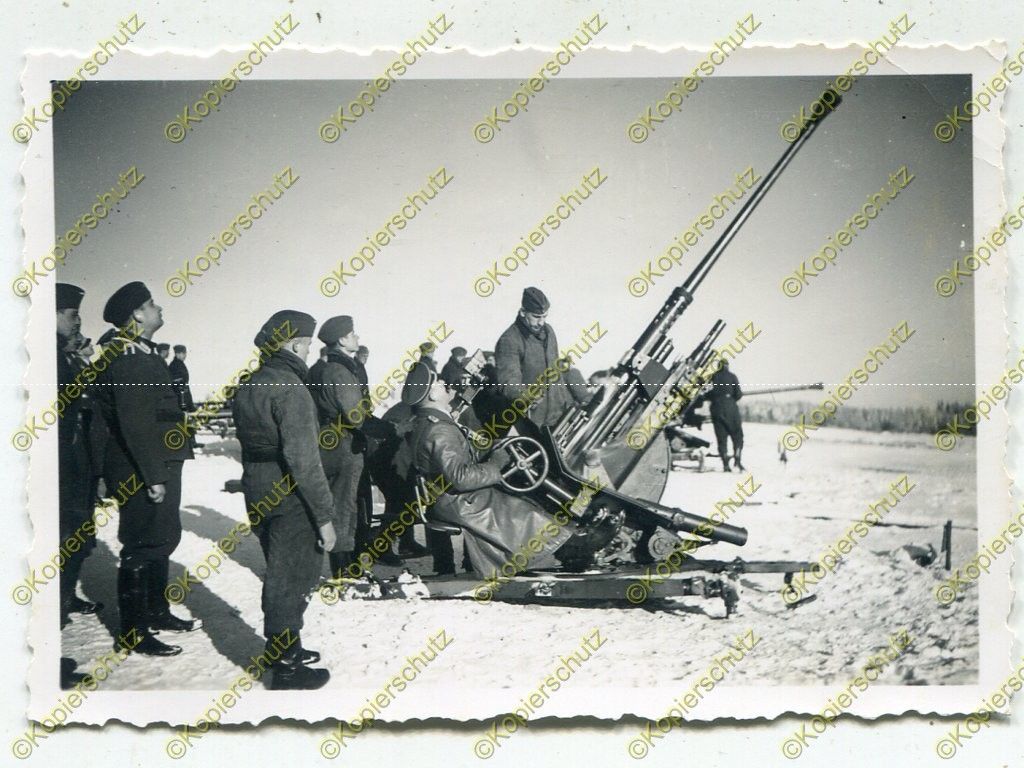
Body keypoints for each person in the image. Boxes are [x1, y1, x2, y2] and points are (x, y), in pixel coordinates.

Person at [232, 310, 335, 689]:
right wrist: (324, 516)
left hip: (259, 487)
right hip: (290, 491)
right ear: (294, 345)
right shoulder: (292, 388)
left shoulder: (252, 383)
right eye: (307, 345)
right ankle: (286, 667)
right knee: (291, 576)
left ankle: (286, 646)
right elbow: (304, 461)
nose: (309, 352)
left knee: (280, 568)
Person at [404, 362, 584, 576]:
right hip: (459, 501)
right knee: (522, 508)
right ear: (432, 395)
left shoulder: (429, 423)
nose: (446, 385)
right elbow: (460, 477)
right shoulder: (439, 429)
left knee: (520, 498)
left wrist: (495, 448)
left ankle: (566, 547)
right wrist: (496, 464)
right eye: (440, 383)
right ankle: (572, 548)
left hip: (449, 497)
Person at [93, 282, 196, 656]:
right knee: (142, 541)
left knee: (163, 536)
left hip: (159, 462)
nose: (159, 308)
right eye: (152, 304)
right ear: (137, 315)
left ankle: (156, 610)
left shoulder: (142, 353)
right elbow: (136, 424)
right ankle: (133, 632)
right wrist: (153, 475)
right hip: (142, 467)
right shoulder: (130, 357)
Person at [306, 316, 386, 572]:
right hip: (343, 445)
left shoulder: (335, 367)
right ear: (342, 340)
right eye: (353, 334)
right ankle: (342, 571)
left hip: (338, 442)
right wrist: (390, 429)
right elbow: (356, 416)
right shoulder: (340, 371)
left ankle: (348, 566)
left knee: (348, 506)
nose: (357, 338)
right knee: (344, 506)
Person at [56, 284, 102, 627]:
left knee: (77, 532)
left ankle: (67, 596)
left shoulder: (68, 357)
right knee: (62, 535)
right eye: (72, 316)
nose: (78, 324)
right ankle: (56, 606)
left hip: (78, 460)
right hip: (62, 463)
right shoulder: (46, 357)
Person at [494, 287, 574, 429]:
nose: (541, 322)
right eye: (536, 317)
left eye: (545, 316)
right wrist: (525, 396)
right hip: (534, 421)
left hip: (560, 414)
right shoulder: (509, 339)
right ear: (523, 312)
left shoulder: (549, 332)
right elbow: (508, 381)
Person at [706, 360, 744, 472]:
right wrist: (730, 399)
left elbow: (707, 393)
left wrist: (715, 398)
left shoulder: (713, 377)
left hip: (716, 409)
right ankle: (737, 459)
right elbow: (738, 394)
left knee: (721, 438)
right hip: (731, 409)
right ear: (727, 366)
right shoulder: (732, 377)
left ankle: (725, 464)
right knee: (737, 436)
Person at [168, 344, 195, 413]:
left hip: (182, 396)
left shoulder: (179, 364)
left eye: (185, 353)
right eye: (183, 353)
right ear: (177, 354)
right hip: (180, 397)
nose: (185, 356)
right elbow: (176, 383)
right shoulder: (175, 365)